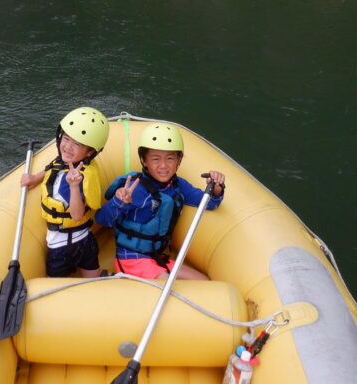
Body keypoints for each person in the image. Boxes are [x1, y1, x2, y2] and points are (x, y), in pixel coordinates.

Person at [95, 122, 225, 280]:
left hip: (155, 257)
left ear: (179, 160)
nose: (163, 166)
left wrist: (217, 187)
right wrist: (119, 201)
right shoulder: (134, 188)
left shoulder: (178, 185)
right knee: (166, 283)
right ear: (144, 161)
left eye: (170, 158)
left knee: (202, 281)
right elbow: (102, 219)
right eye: (155, 159)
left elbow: (211, 203)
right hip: (130, 258)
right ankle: (118, 277)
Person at [21, 107, 109, 278]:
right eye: (66, 139)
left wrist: (74, 186)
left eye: (77, 144)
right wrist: (34, 178)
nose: (68, 147)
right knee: (91, 275)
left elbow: (76, 215)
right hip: (83, 239)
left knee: (58, 282)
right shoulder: (68, 162)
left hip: (63, 246)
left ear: (90, 152)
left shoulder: (76, 179)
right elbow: (52, 169)